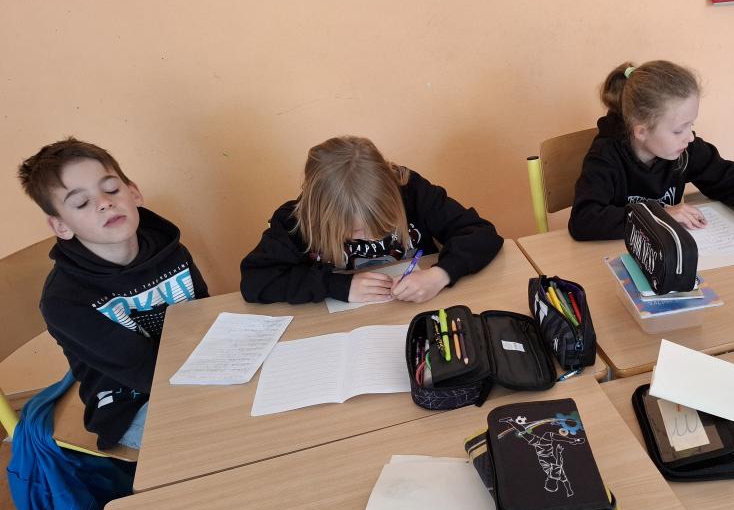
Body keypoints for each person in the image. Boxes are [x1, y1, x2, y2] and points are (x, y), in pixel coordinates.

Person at [17, 138, 209, 449]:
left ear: (134, 192)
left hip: (194, 370)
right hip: (129, 404)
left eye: (111, 188)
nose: (104, 203)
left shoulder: (171, 251)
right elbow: (145, 373)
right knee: (217, 437)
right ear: (61, 226)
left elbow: (203, 316)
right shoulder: (64, 301)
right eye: (82, 203)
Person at [569, 60, 734, 259]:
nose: (690, 137)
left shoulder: (686, 150)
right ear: (641, 131)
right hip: (617, 258)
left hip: (669, 257)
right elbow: (584, 220)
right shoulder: (606, 156)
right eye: (679, 130)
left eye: (691, 125)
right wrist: (660, 214)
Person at [240, 135, 503, 305]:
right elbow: (255, 281)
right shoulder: (296, 221)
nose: (370, 236)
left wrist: (440, 274)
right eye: (355, 231)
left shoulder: (411, 191)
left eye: (382, 223)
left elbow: (480, 233)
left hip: (419, 312)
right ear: (320, 214)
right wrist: (337, 286)